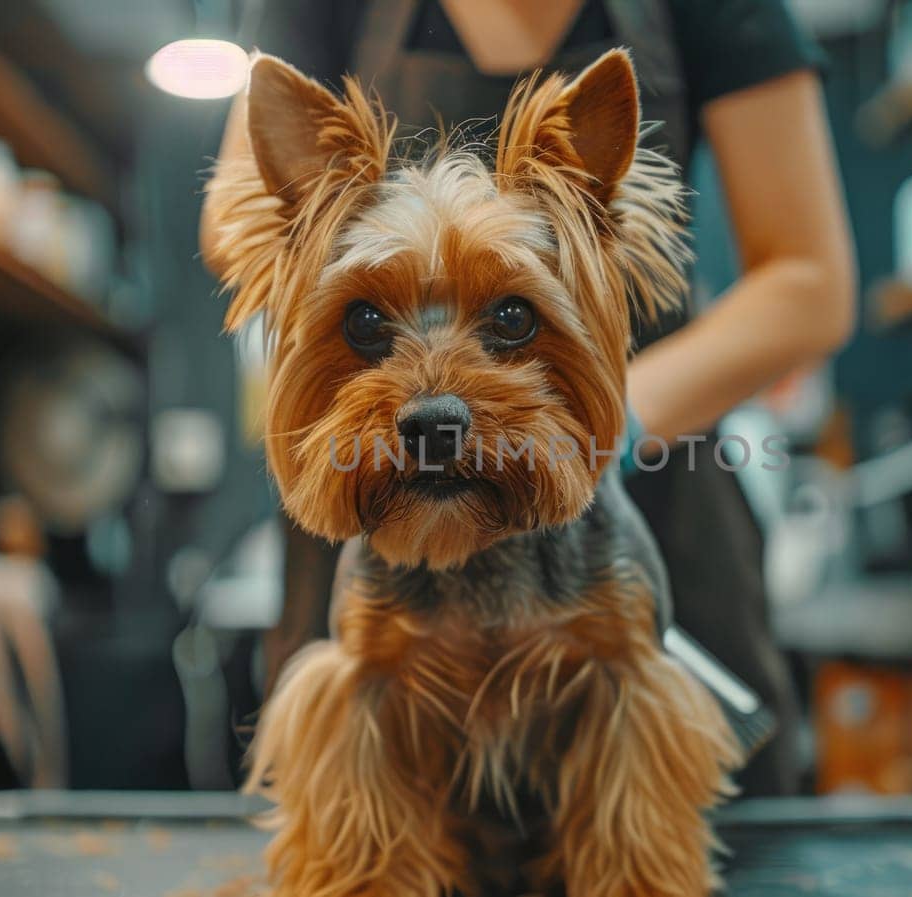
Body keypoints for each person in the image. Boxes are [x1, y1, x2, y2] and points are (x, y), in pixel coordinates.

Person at [200, 0, 856, 796]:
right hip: (375, 572)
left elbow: (811, 282)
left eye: (510, 321)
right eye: (371, 325)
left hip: (655, 505)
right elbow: (237, 220)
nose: (436, 395)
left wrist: (604, 424)